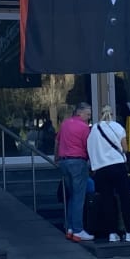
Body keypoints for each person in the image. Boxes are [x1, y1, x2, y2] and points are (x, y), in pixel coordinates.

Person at [88, 105, 130, 242]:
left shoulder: (93, 129)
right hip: (117, 165)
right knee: (124, 199)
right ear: (112, 114)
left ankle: (112, 233)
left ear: (100, 115)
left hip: (100, 168)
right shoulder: (117, 127)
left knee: (107, 200)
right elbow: (125, 148)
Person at [56, 103, 95, 242]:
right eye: (88, 114)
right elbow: (88, 146)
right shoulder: (84, 128)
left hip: (64, 162)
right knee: (79, 197)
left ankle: (70, 228)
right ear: (80, 113)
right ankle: (78, 231)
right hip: (78, 162)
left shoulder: (65, 124)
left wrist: (56, 158)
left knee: (72, 196)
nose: (89, 117)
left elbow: (57, 142)